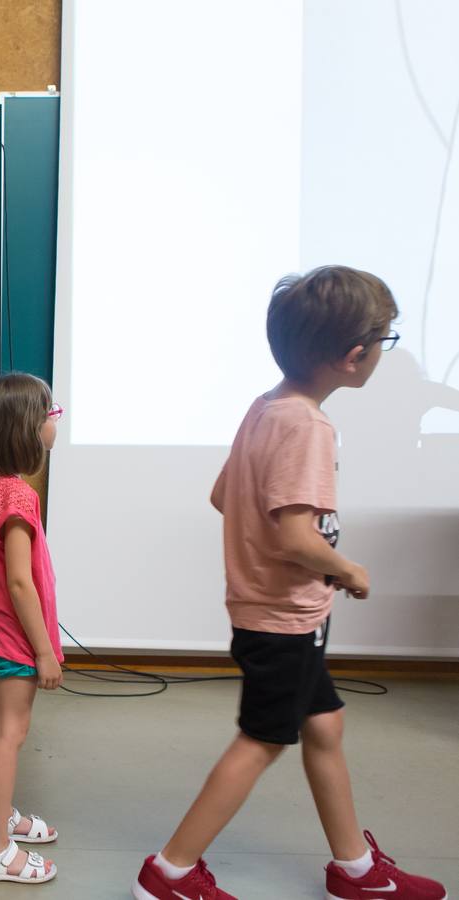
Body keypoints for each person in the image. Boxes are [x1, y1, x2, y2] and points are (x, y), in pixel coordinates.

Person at [132, 266, 448, 900]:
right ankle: (168, 874)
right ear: (355, 357)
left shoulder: (266, 407)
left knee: (324, 726)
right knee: (262, 741)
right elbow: (296, 538)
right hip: (282, 619)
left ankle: (355, 869)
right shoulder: (308, 426)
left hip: (284, 614)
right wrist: (348, 569)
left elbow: (225, 494)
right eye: (385, 343)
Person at [0, 372, 64, 886]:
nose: (55, 423)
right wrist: (44, 651)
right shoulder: (17, 498)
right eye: (51, 414)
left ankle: (0, 818)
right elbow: (20, 583)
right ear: (27, 428)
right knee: (10, 733)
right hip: (16, 636)